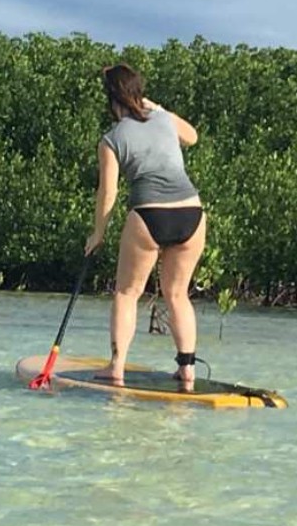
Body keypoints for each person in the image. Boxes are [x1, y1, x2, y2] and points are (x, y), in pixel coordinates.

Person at [85, 63, 206, 387]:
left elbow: (108, 192)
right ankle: (187, 368)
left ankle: (117, 367)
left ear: (111, 100)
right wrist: (155, 107)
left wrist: (98, 233)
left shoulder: (111, 140)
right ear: (139, 92)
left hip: (149, 214)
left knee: (127, 292)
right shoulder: (164, 119)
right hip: (191, 213)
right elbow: (191, 137)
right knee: (178, 294)